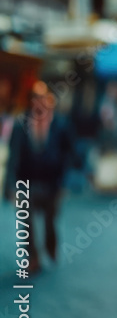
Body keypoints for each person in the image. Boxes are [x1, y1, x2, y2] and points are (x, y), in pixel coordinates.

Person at [3, 84, 77, 274]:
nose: (39, 102)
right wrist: (11, 187)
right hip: (27, 183)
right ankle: (33, 257)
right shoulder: (20, 125)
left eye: (42, 98)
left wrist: (65, 183)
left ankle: (51, 246)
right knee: (26, 220)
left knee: (50, 221)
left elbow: (69, 155)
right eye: (35, 98)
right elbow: (13, 158)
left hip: (52, 184)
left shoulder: (60, 124)